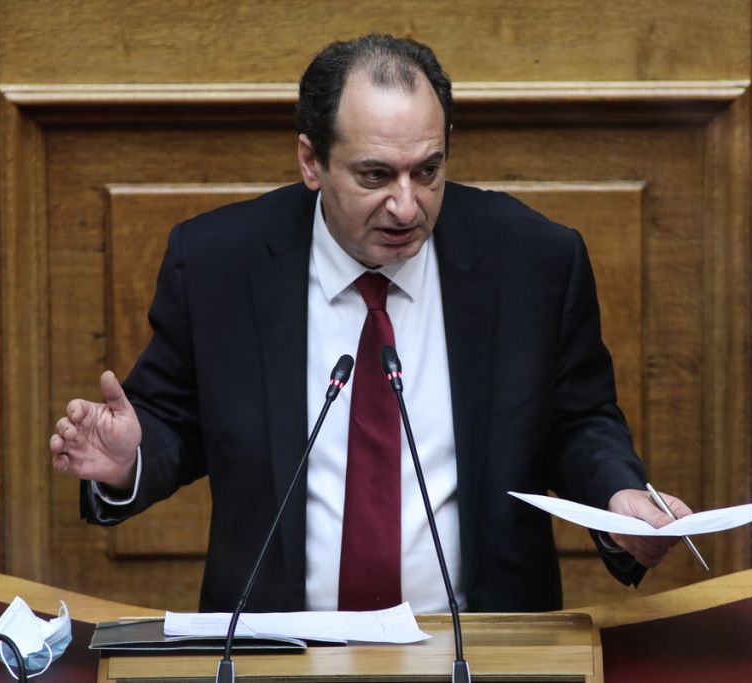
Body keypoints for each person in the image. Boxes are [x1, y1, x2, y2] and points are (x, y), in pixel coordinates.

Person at [49, 34, 691, 614]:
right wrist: (130, 459)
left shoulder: (532, 262)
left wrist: (617, 496)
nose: (407, 206)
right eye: (376, 175)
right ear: (311, 161)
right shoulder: (221, 263)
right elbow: (174, 420)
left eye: (428, 171)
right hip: (280, 650)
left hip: (478, 644)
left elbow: (577, 420)